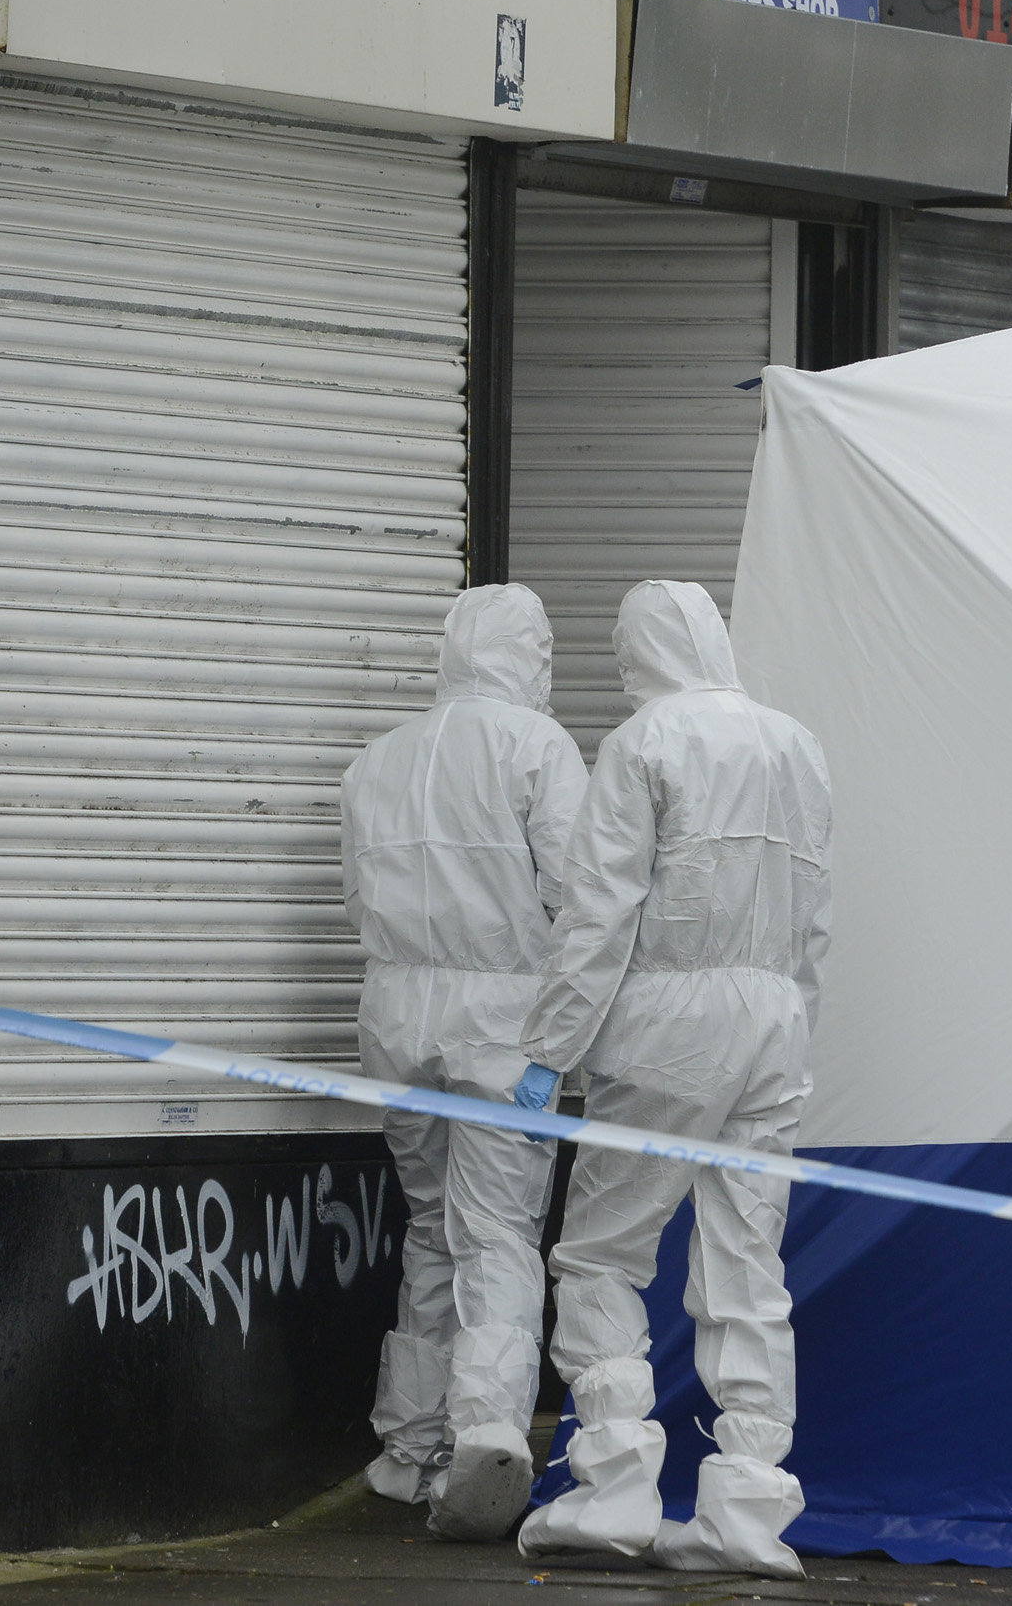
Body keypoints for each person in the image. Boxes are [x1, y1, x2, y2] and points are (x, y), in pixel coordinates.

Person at [510, 580, 833, 1577]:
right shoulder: (795, 744)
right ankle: (746, 1509)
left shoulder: (643, 742)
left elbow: (599, 914)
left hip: (668, 1023)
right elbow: (815, 906)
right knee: (747, 1263)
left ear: (643, 649)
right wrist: (792, 1019)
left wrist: (548, 1049)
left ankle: (610, 1486)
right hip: (774, 1022)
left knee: (603, 1253)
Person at [343, 584, 588, 1540]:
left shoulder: (376, 761)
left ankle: (409, 1449)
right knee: (496, 1234)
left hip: (396, 1025)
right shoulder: (537, 746)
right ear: (524, 651)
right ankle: (486, 1429)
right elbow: (579, 893)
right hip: (503, 1030)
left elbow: (358, 906)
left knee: (432, 1231)